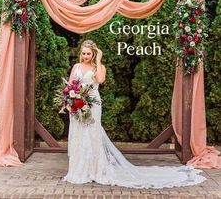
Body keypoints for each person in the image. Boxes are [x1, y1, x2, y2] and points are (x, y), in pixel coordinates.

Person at [62, 39, 206, 189]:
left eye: (88, 54)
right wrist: (69, 100)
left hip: (93, 104)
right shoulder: (76, 66)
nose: (85, 56)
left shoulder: (100, 67)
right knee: (78, 134)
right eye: (83, 53)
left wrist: (98, 60)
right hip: (76, 105)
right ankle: (79, 169)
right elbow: (70, 85)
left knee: (92, 134)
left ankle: (94, 170)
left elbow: (100, 79)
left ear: (93, 54)